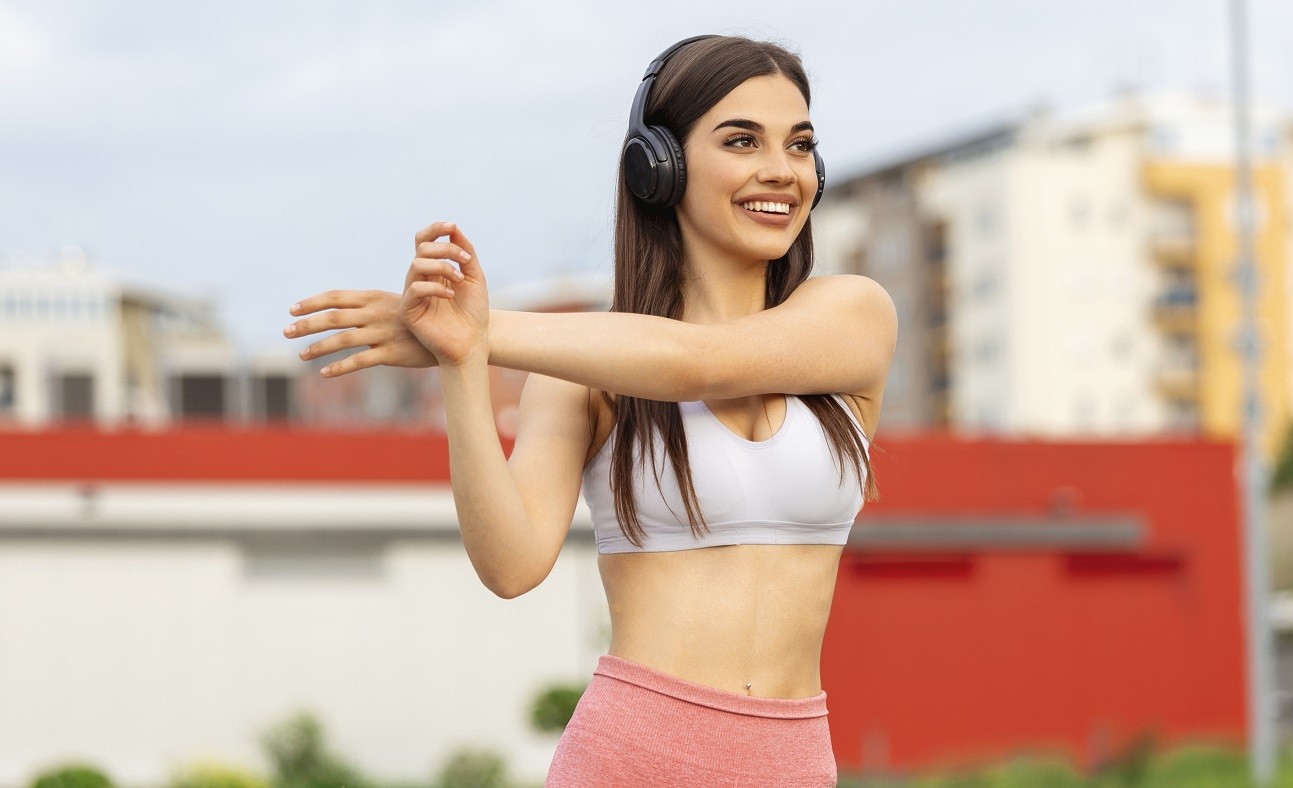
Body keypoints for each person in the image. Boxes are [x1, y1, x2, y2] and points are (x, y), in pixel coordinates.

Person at [283, 34, 896, 788]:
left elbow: (698, 364)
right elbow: (511, 566)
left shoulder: (852, 316)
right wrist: (459, 361)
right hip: (631, 755)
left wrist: (488, 330)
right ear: (657, 166)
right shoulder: (579, 374)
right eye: (742, 141)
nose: (781, 170)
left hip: (794, 762)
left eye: (800, 146)